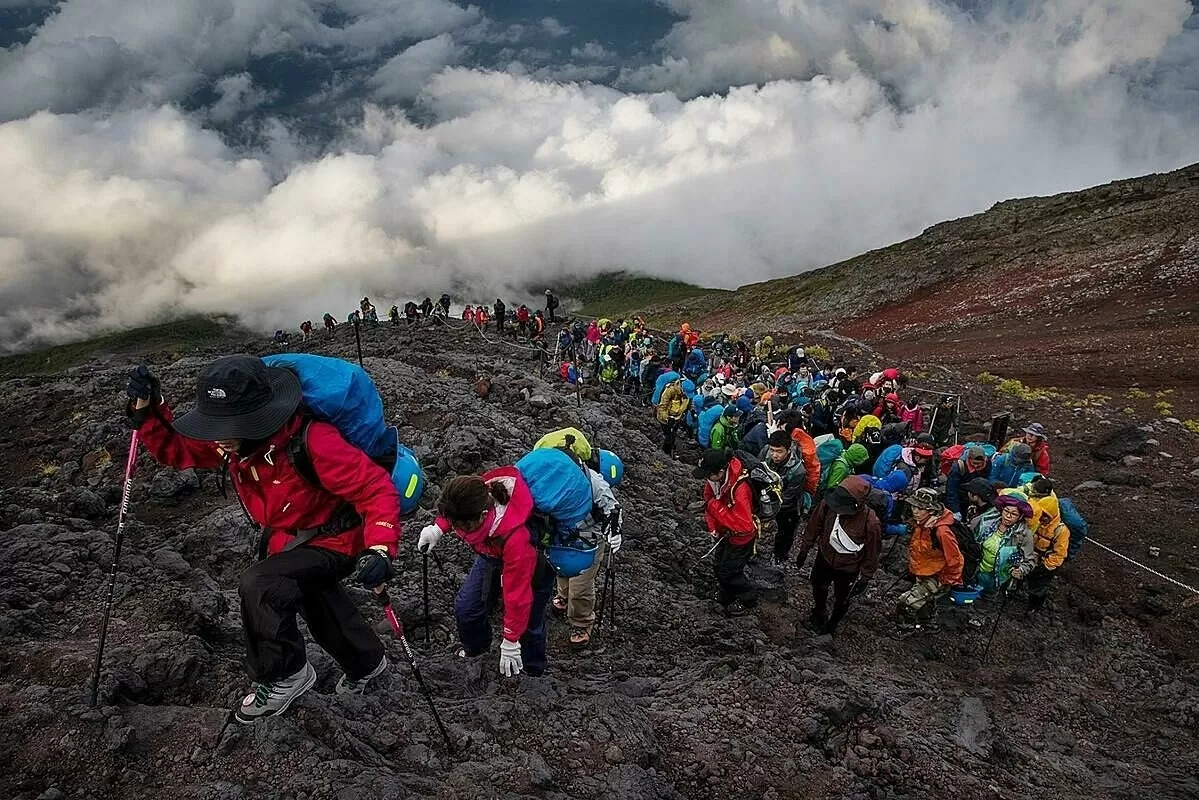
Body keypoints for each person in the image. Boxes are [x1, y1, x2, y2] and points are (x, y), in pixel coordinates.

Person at [126, 357, 400, 722]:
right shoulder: (234, 440)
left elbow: (374, 488)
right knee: (310, 592)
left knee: (262, 583)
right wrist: (149, 413)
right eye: (216, 424)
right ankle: (367, 663)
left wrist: (380, 548)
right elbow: (179, 450)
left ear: (257, 418)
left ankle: (285, 674)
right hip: (292, 536)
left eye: (227, 425)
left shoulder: (314, 441)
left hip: (338, 537)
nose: (218, 435)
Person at [416, 469, 554, 678]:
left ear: (481, 516)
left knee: (529, 623)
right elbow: (453, 507)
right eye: (454, 524)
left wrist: (510, 639)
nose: (458, 530)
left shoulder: (516, 538)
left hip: (527, 559)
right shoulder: (474, 495)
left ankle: (532, 671)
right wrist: (438, 528)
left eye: (460, 525)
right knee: (467, 609)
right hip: (491, 553)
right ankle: (476, 652)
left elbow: (517, 596)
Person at [795, 476, 882, 635]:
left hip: (849, 568)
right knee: (818, 585)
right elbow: (814, 526)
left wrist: (865, 577)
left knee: (842, 598)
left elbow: (872, 551)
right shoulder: (827, 505)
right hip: (825, 556)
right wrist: (804, 549)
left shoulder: (871, 523)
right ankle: (819, 612)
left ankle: (832, 625)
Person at [551, 465, 622, 647]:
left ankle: (581, 623)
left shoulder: (595, 484)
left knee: (580, 586)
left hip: (589, 539)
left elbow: (612, 508)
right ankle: (564, 596)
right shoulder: (556, 477)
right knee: (562, 570)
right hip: (562, 535)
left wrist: (614, 531)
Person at [694, 450, 758, 616]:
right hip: (725, 533)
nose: (706, 479)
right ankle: (726, 595)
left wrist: (715, 507)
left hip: (741, 539)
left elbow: (745, 526)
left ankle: (748, 599)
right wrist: (712, 526)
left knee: (730, 572)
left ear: (720, 471)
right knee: (719, 566)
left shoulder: (740, 489)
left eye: (708, 475)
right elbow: (709, 499)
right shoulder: (716, 480)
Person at [897, 488, 963, 630]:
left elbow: (955, 559)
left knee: (907, 602)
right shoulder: (921, 523)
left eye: (920, 508)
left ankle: (905, 628)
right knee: (925, 601)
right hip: (924, 570)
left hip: (939, 575)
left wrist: (946, 580)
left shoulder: (942, 532)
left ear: (931, 510)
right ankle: (928, 625)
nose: (915, 511)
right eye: (914, 506)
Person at [970, 493, 1035, 595]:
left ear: (1020, 516)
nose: (1008, 516)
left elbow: (1029, 561)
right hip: (977, 571)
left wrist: (1020, 570)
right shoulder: (987, 523)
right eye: (1006, 511)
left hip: (1001, 579)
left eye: (1014, 514)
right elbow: (971, 540)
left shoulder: (1023, 535)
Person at [762, 430, 810, 565]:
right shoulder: (766, 453)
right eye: (772, 450)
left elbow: (787, 498)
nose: (774, 455)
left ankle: (780, 555)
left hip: (789, 506)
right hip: (770, 496)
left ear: (788, 450)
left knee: (786, 533)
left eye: (779, 451)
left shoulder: (798, 471)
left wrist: (767, 510)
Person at [1025, 492, 1071, 616]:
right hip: (1031, 556)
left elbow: (1059, 554)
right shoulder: (1037, 521)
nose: (1042, 518)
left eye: (1045, 515)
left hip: (1045, 564)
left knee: (1039, 587)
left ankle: (1034, 607)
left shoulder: (1061, 531)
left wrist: (1045, 566)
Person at [946, 445, 992, 518]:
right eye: (974, 463)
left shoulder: (988, 464)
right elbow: (951, 490)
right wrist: (955, 510)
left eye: (979, 464)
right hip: (960, 498)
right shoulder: (958, 467)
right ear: (969, 459)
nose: (976, 466)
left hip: (977, 500)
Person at [656, 374, 691, 457]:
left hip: (676, 419)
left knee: (673, 436)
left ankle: (671, 450)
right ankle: (664, 453)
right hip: (666, 420)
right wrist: (667, 418)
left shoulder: (686, 395)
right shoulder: (670, 391)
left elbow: (684, 406)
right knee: (668, 437)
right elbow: (662, 407)